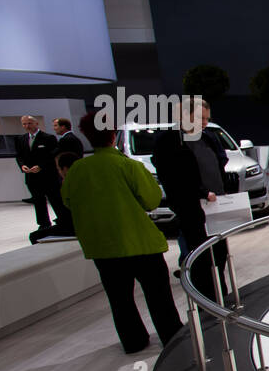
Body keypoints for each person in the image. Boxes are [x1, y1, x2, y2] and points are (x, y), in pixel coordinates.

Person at [61, 116, 183, 354]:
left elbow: (68, 201)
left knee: (120, 300)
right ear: (113, 134)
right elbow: (151, 200)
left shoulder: (77, 170)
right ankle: (172, 337)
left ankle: (133, 341)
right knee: (159, 297)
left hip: (104, 248)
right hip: (140, 243)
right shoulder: (129, 166)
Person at [152, 98, 230, 301]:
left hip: (216, 206)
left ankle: (222, 296)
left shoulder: (208, 137)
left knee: (219, 254)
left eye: (207, 118)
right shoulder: (168, 141)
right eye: (201, 118)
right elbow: (173, 176)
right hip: (191, 209)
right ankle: (205, 300)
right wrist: (202, 192)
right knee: (199, 256)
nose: (205, 122)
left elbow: (220, 161)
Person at [16, 115, 56, 229]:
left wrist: (41, 166)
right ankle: (43, 224)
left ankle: (63, 220)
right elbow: (19, 156)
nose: (27, 126)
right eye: (24, 124)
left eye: (29, 123)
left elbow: (52, 156)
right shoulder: (21, 139)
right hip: (31, 177)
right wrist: (22, 166)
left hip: (47, 176)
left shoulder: (48, 138)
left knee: (55, 200)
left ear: (36, 123)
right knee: (38, 201)